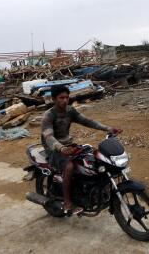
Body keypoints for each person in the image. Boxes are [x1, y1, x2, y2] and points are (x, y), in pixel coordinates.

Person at [41, 85, 119, 215]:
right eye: (61, 98)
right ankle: (67, 202)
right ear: (54, 99)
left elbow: (88, 121)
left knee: (94, 158)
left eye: (67, 97)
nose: (65, 100)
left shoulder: (70, 111)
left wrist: (108, 128)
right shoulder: (48, 116)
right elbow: (48, 137)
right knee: (70, 166)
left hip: (68, 145)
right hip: (53, 148)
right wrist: (60, 148)